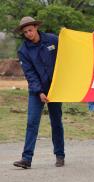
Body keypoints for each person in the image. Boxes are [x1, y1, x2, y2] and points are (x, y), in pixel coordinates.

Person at [13, 16, 65, 169]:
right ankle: (26, 159)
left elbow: (69, 53)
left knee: (56, 122)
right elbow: (30, 74)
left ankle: (60, 155)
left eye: (30, 30)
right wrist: (39, 92)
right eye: (25, 32)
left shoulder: (53, 40)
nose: (28, 33)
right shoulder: (23, 50)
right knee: (32, 123)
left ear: (35, 27)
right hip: (37, 92)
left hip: (55, 89)